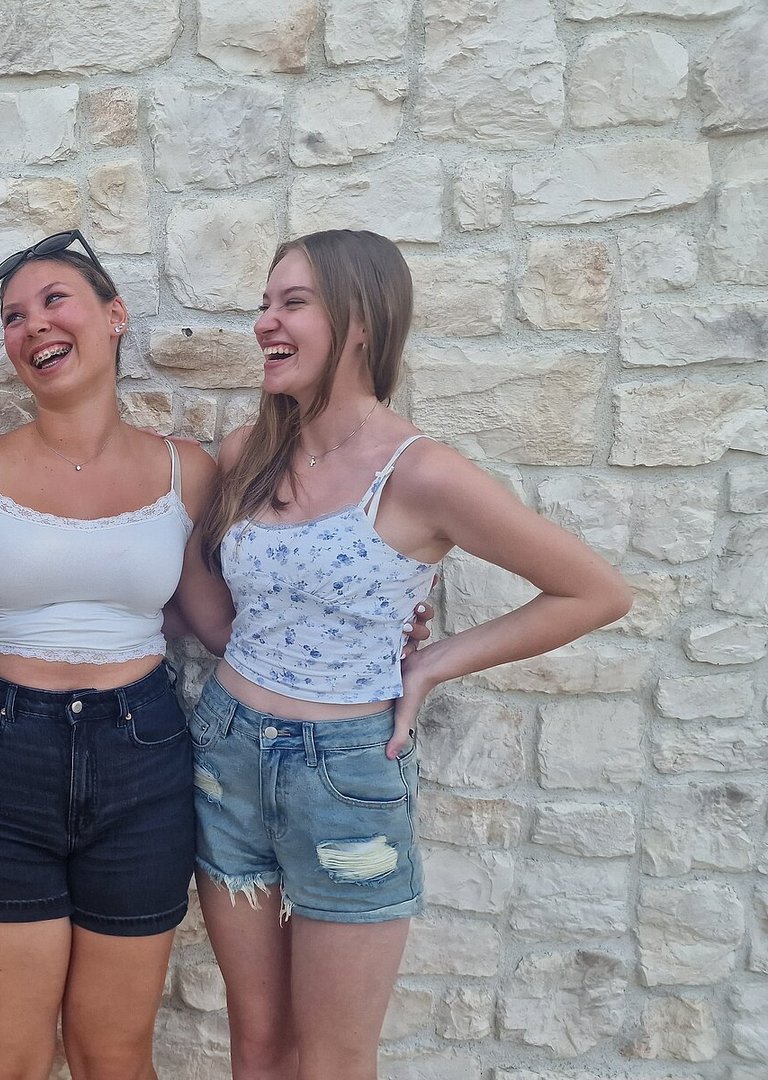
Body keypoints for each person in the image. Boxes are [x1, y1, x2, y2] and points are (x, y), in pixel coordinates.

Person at [172, 229, 633, 1080]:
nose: (266, 322)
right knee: (257, 1045)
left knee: (335, 1059)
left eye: (293, 303)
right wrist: (227, 640)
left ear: (360, 322)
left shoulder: (422, 474)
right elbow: (199, 566)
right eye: (265, 304)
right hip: (227, 755)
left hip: (346, 776)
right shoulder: (248, 453)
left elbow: (594, 592)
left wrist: (430, 663)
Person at [0, 230, 221, 1079]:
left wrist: (374, 631)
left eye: (54, 300)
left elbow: (218, 622)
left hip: (143, 761)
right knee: (5, 1062)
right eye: (13, 316)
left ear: (114, 316)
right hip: (4, 762)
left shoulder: (188, 472)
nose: (32, 325)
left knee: (114, 1055)